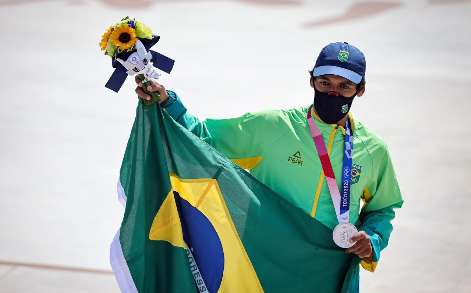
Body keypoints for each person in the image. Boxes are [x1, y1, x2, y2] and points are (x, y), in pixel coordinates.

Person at [134, 41, 403, 271]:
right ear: (312, 81)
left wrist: (374, 241)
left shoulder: (372, 150)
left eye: (344, 86)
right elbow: (205, 137)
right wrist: (168, 101)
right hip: (266, 268)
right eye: (325, 83)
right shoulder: (272, 127)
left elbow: (383, 206)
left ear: (360, 90)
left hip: (329, 276)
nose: (333, 92)